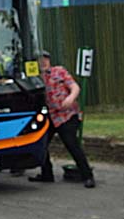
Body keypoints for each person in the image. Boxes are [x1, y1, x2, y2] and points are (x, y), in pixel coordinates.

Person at [29, 50, 96, 188]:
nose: (43, 62)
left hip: (67, 114)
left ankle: (87, 176)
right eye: (40, 59)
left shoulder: (59, 71)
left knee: (71, 143)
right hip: (50, 115)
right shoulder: (35, 78)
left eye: (45, 59)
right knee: (41, 142)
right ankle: (47, 173)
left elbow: (75, 87)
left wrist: (71, 98)